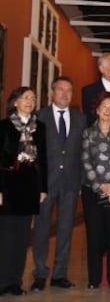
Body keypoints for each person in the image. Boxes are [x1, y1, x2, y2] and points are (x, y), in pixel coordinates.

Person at [31, 76, 86, 292]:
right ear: (52, 92)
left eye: (69, 91)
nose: (64, 94)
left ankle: (59, 274)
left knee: (65, 231)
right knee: (42, 230)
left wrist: (81, 180)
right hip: (45, 184)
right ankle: (39, 273)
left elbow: (83, 151)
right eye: (60, 90)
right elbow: (32, 153)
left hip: (71, 183)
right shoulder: (39, 117)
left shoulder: (80, 118)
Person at [0, 87, 47, 296]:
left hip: (29, 187)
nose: (30, 101)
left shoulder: (40, 128)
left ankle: (15, 282)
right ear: (15, 102)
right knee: (6, 237)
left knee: (21, 239)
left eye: (33, 98)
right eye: (25, 97)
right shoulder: (4, 126)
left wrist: (42, 188)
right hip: (8, 187)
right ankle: (2, 282)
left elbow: (43, 160)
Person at [81, 91, 110, 289]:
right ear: (97, 110)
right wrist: (101, 186)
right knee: (94, 236)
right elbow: (85, 161)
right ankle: (94, 279)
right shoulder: (88, 133)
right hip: (92, 191)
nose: (108, 110)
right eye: (104, 107)